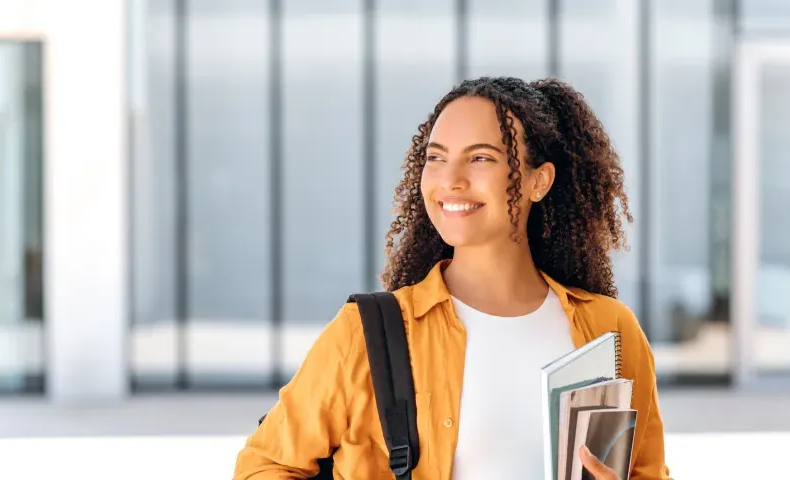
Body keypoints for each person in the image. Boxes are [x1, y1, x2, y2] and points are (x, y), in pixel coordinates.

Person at [233, 76, 672, 479]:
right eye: (436, 158)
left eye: (481, 158)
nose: (451, 181)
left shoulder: (611, 332)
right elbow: (263, 467)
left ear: (540, 181)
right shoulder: (368, 334)